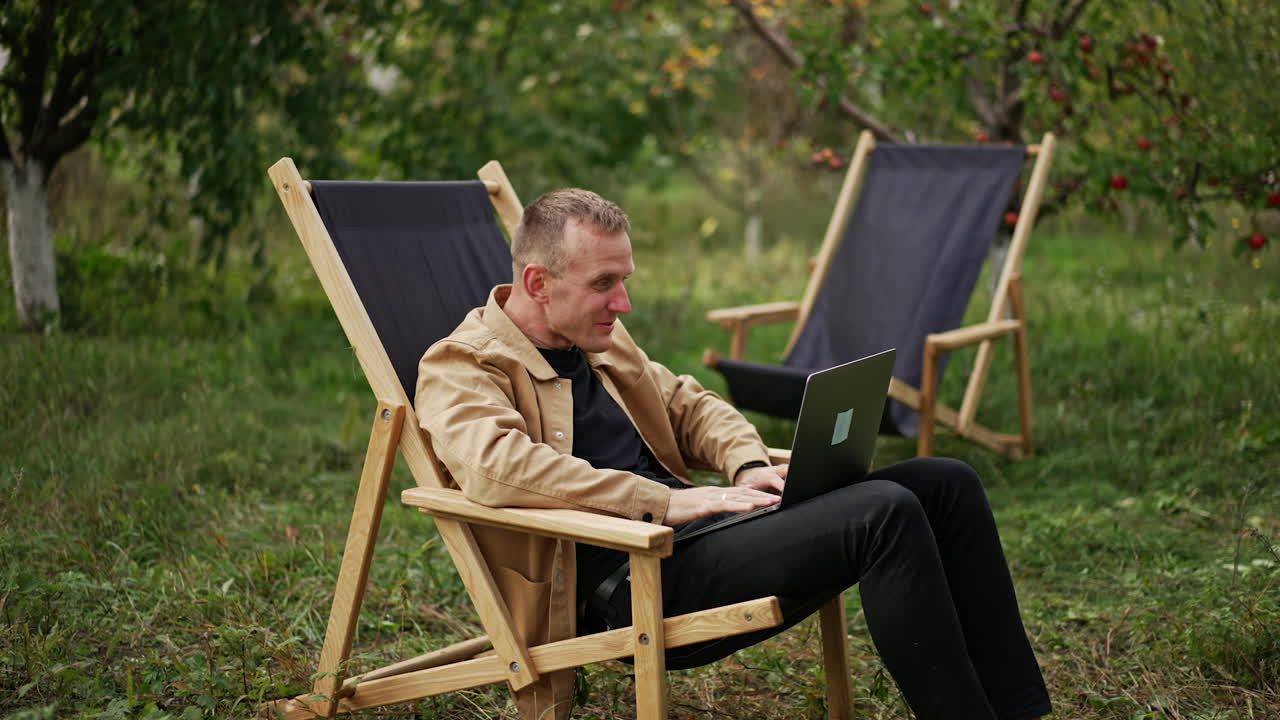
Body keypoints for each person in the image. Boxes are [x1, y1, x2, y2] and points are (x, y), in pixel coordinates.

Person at [415, 188, 1052, 720]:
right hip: (636, 580)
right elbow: (497, 465)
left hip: (704, 537)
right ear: (537, 282)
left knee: (946, 481)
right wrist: (664, 500)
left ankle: (1020, 712)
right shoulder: (462, 365)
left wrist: (746, 464)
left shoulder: (594, 339)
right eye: (603, 283)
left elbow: (694, 405)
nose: (623, 303)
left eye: (625, 281)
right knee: (882, 514)